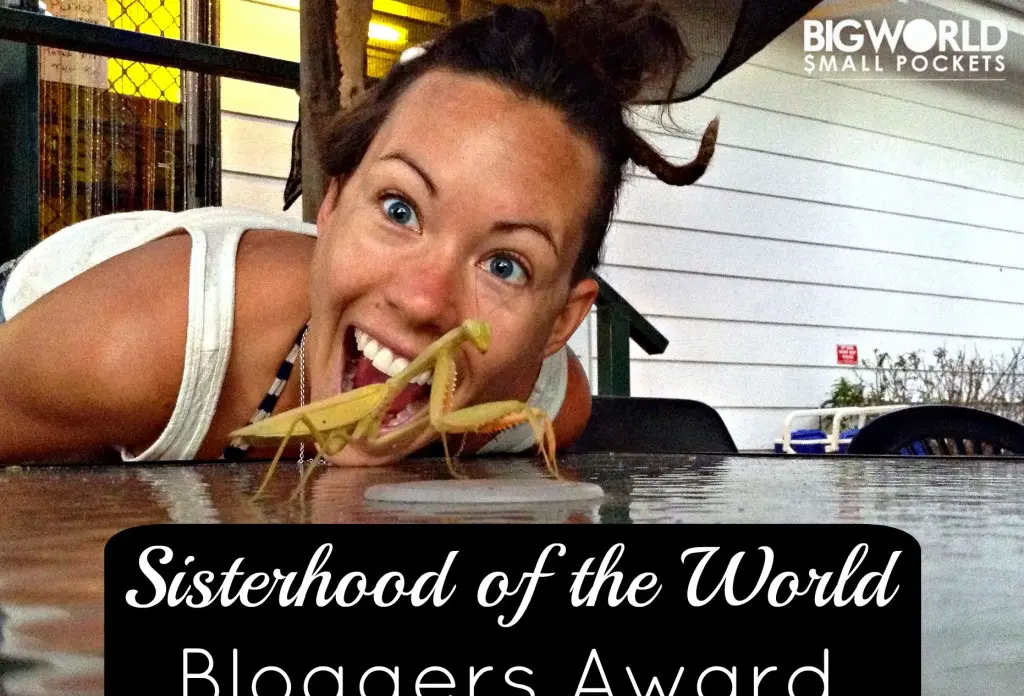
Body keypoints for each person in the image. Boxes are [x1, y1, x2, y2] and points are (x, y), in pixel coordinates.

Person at [0, 0, 716, 467]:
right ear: (333, 204)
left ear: (559, 322)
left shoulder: (539, 404)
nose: (425, 300)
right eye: (400, 209)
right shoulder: (147, 347)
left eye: (505, 265)